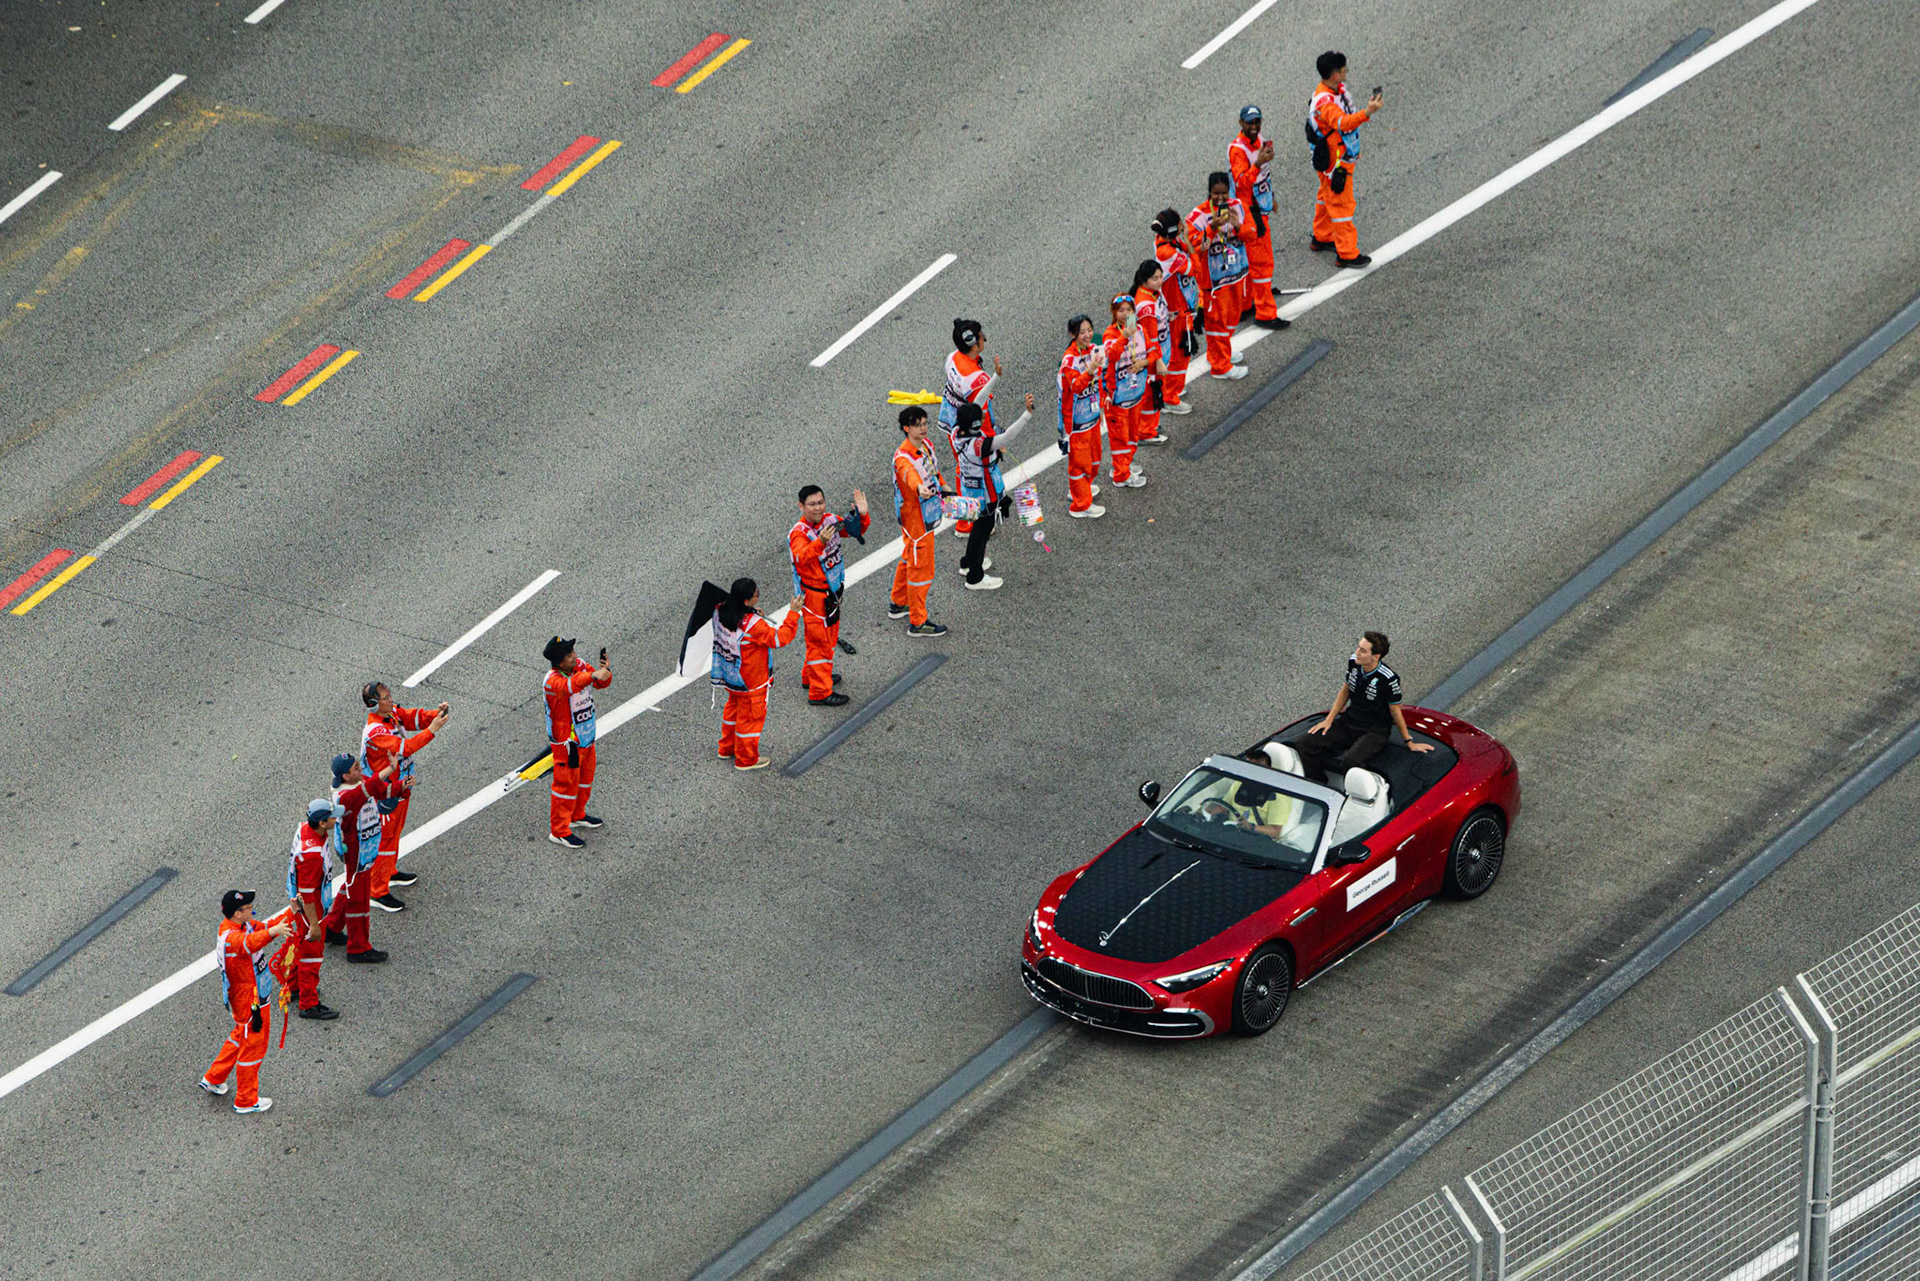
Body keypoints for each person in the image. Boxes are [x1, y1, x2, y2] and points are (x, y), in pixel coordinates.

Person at [200, 889, 294, 1114]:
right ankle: (245, 1099)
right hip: (249, 999)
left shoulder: (242, 925)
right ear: (237, 913)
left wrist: (291, 912)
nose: (252, 909)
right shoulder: (232, 937)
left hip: (251, 995)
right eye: (248, 908)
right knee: (253, 1046)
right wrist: (273, 931)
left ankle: (214, 1077)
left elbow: (266, 928)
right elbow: (251, 943)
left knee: (239, 1036)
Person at [1297, 631, 1434, 784]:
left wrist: (1409, 741)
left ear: (1376, 656)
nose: (1357, 653)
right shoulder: (1354, 662)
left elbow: (1395, 711)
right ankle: (1318, 782)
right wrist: (1329, 720)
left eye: (1363, 650)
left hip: (1375, 729)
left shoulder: (1388, 679)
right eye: (1358, 647)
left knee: (1351, 761)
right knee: (1305, 744)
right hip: (1350, 720)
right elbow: (1345, 690)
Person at [359, 682, 447, 913]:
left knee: (395, 833)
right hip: (384, 794)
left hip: (400, 787)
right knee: (385, 840)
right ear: (373, 705)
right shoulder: (375, 732)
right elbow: (404, 748)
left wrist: (434, 715)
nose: (391, 700)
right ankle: (377, 891)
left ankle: (390, 872)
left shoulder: (391, 713)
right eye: (386, 698)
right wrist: (433, 729)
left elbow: (412, 718)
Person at [790, 485, 870, 707]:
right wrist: (821, 542)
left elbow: (854, 531)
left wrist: (861, 515)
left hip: (831, 593)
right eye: (812, 504)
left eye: (821, 502)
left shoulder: (829, 520)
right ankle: (819, 691)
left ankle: (812, 676)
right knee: (820, 645)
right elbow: (801, 557)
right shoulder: (799, 533)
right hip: (815, 598)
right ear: (801, 506)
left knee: (829, 639)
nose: (818, 508)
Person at [712, 578, 803, 771]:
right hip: (752, 680)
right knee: (750, 720)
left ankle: (726, 748)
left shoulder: (723, 610)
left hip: (731, 675)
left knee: (732, 712)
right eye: (756, 595)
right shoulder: (754, 625)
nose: (758, 596)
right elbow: (780, 638)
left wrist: (754, 614)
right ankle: (746, 759)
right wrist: (793, 613)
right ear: (746, 601)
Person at [319, 752, 400, 962]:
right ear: (345, 776)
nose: (360, 769)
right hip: (356, 852)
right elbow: (368, 789)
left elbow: (376, 789)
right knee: (360, 899)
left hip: (362, 849)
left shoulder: (355, 784)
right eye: (356, 768)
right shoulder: (344, 797)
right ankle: (358, 948)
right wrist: (389, 770)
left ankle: (333, 926)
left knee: (351, 887)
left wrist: (401, 788)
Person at [954, 392, 1037, 589]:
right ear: (974, 425)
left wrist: (995, 377)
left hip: (970, 491)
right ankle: (975, 576)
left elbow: (975, 404)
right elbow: (1007, 436)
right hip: (986, 493)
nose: (983, 419)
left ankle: (968, 562)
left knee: (977, 528)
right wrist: (1027, 414)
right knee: (982, 531)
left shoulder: (957, 432)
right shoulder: (979, 445)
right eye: (980, 418)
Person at [1308, 51, 1382, 269]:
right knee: (1341, 205)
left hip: (1332, 156)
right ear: (1334, 74)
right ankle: (1347, 253)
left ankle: (1321, 236)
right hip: (1336, 161)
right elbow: (1344, 123)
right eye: (1343, 70)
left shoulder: (1332, 91)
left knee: (1325, 195)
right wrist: (1367, 112)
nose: (1346, 72)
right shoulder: (1326, 102)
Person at [543, 637, 613, 848]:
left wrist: (604, 672)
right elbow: (569, 687)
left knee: (585, 779)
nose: (575, 656)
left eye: (573, 651)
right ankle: (559, 830)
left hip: (586, 736)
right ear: (560, 661)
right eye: (569, 654)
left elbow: (601, 683)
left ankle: (577, 814)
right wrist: (592, 675)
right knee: (565, 786)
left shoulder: (579, 666)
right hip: (567, 744)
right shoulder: (552, 681)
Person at [888, 407, 951, 636]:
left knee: (909, 555)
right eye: (918, 424)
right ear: (907, 428)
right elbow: (908, 475)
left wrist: (944, 486)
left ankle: (899, 601)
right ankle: (918, 621)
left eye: (925, 423)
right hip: (916, 517)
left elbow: (933, 470)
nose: (923, 428)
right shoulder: (902, 457)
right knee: (920, 569)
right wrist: (919, 488)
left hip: (926, 511)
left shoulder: (927, 446)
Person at [1187, 174, 1255, 381]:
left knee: (1231, 319)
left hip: (1236, 275)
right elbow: (1194, 246)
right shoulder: (1197, 216)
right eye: (1216, 193)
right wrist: (1212, 227)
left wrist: (1237, 225)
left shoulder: (1238, 207)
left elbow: (1252, 234)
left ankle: (1219, 352)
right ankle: (1220, 366)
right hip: (1213, 283)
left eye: (1224, 193)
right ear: (1209, 192)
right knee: (1216, 323)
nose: (1220, 198)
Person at [1229, 105, 1291, 329]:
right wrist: (1257, 164)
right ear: (1240, 123)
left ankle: (1248, 303)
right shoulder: (1238, 150)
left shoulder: (1258, 141)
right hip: (1250, 214)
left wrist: (1271, 197)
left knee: (1251, 263)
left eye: (1257, 122)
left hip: (1259, 208)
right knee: (1262, 264)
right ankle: (1265, 313)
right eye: (1249, 123)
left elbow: (1264, 176)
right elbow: (1241, 181)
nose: (1254, 127)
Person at [939, 318, 999, 540]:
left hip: (950, 420)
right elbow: (982, 414)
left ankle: (961, 520)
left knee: (961, 470)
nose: (984, 338)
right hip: (969, 430)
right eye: (982, 335)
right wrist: (992, 441)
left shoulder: (953, 358)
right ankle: (967, 525)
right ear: (973, 344)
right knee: (972, 474)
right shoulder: (978, 378)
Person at [286, 799, 340, 1021]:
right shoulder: (312, 855)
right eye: (332, 817)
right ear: (321, 822)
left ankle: (294, 987)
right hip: (311, 907)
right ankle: (309, 1003)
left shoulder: (305, 828)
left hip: (303, 902)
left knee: (300, 946)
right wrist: (315, 924)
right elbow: (307, 893)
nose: (336, 819)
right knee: (311, 956)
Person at [1102, 293, 1162, 489]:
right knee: (1120, 437)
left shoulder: (1141, 329)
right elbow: (1112, 354)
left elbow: (1155, 350)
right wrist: (1125, 335)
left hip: (1136, 392)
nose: (1125, 314)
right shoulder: (1110, 334)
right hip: (1117, 397)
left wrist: (1144, 362)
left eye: (1129, 310)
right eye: (1121, 310)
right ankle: (1121, 475)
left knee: (1132, 434)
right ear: (1114, 313)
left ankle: (1124, 464)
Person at [1148, 214, 1199, 416]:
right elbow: (1194, 268)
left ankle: (1171, 388)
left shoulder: (1164, 243)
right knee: (1180, 356)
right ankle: (1171, 396)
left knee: (1177, 354)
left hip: (1174, 307)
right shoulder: (1169, 252)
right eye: (1179, 226)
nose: (1183, 227)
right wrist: (1189, 243)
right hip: (1177, 311)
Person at [1057, 315, 1107, 518]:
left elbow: (1099, 381)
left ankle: (1082, 488)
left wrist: (1101, 407)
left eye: (1089, 330)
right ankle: (1080, 505)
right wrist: (1091, 369)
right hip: (1076, 422)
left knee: (1095, 459)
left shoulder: (1092, 350)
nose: (1087, 335)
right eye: (1082, 332)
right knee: (1079, 463)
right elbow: (1076, 387)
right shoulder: (1069, 360)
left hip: (1092, 415)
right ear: (1073, 335)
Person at [1131, 261, 1175, 445]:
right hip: (1152, 356)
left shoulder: (1152, 294)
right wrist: (1158, 361)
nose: (1160, 281)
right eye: (1154, 278)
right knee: (1151, 393)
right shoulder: (1146, 305)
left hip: (1159, 349)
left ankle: (1149, 426)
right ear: (1145, 280)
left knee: (1153, 392)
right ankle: (1146, 432)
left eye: (1160, 277)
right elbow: (1151, 337)